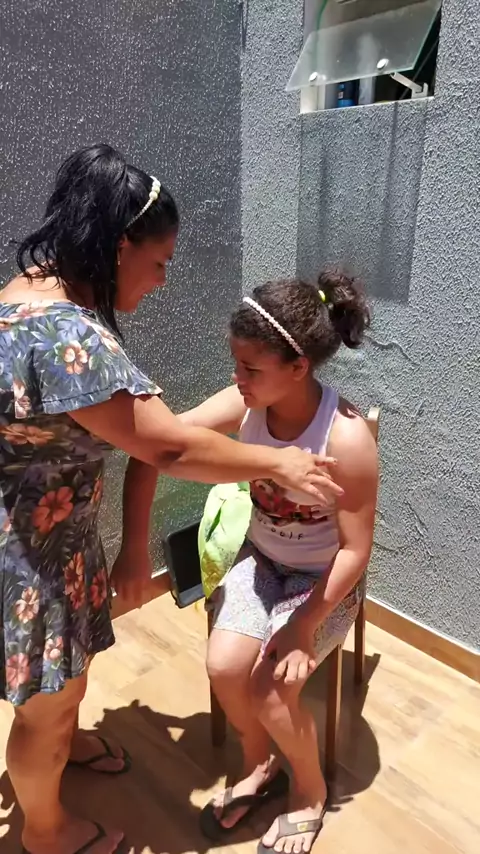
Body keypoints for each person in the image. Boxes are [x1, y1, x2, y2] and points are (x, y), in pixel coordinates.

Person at [0, 144, 342, 854]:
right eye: (159, 263)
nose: (161, 281)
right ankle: (47, 831)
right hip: (30, 557)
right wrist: (278, 463)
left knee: (61, 691)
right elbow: (169, 448)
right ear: (120, 246)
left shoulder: (25, 293)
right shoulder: (65, 333)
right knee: (42, 710)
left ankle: (70, 739)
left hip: (43, 535)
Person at [180, 271, 378, 853]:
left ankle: (310, 791)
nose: (236, 379)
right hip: (263, 560)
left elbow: (355, 550)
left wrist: (303, 626)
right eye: (235, 364)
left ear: (298, 368)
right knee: (224, 667)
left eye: (249, 368)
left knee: (269, 689)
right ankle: (259, 763)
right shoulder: (246, 405)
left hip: (325, 582)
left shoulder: (345, 439)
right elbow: (172, 438)